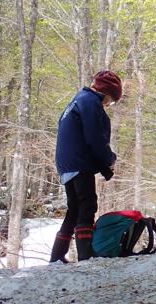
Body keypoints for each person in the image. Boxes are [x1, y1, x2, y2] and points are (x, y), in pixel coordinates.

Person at [49, 71, 121, 263]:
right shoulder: (90, 103)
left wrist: (104, 167)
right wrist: (109, 159)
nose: (109, 104)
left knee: (74, 209)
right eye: (111, 100)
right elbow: (94, 139)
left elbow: (83, 138)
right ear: (106, 93)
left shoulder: (78, 100)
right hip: (79, 163)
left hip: (67, 164)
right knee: (88, 205)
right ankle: (86, 256)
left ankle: (57, 256)